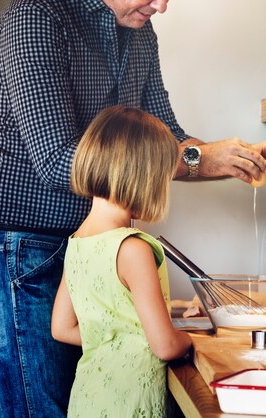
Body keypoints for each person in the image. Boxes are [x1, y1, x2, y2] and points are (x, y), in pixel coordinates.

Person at [0, 0, 266, 416]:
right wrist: (202, 158)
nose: (163, 6)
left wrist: (222, 158)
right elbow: (58, 159)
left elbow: (165, 139)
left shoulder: (139, 30)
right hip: (22, 253)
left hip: (84, 245)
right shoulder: (36, 18)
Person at [51, 105, 193, 416]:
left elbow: (62, 328)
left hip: (88, 400)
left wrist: (124, 337)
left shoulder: (77, 243)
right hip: (129, 404)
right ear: (144, 179)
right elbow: (165, 346)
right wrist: (193, 341)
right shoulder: (132, 248)